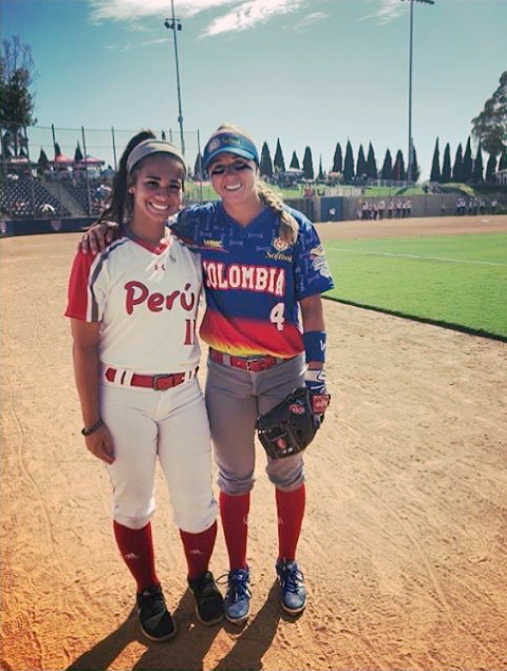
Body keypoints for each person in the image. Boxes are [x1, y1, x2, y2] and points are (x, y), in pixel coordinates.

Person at [81, 123, 335, 624]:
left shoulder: (295, 228)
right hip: (225, 375)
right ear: (209, 177)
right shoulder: (199, 222)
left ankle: (288, 564)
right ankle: (237, 571)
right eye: (218, 169)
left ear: (255, 168)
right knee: (235, 479)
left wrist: (317, 376)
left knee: (287, 472)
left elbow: (313, 308)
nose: (228, 175)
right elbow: (147, 218)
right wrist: (107, 226)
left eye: (239, 165)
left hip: (284, 372)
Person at [66, 131, 224, 642]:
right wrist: (91, 421)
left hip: (183, 394)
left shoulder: (192, 250)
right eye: (152, 181)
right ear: (132, 185)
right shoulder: (98, 253)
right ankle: (148, 588)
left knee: (198, 498)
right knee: (133, 503)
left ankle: (200, 578)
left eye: (174, 185)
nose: (164, 193)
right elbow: (84, 345)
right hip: (123, 396)